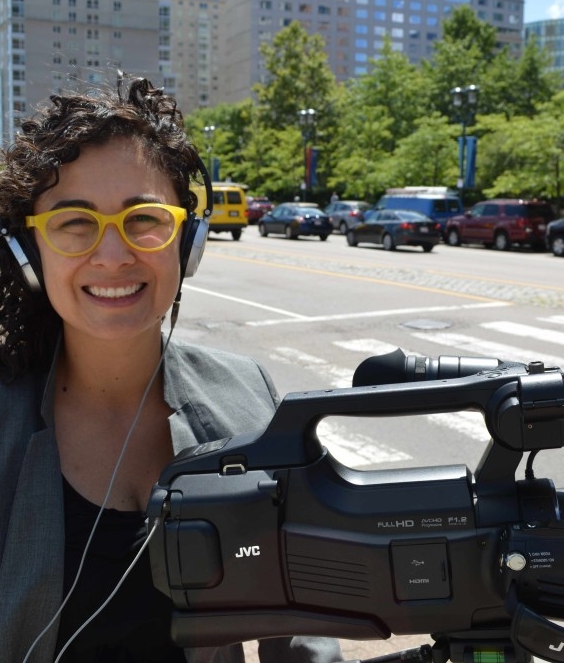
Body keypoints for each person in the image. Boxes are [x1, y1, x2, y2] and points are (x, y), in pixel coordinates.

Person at [0, 75, 344, 663]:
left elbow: (305, 622)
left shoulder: (247, 396)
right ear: (30, 253)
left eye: (144, 219)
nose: (112, 255)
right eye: (74, 222)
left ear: (188, 240)